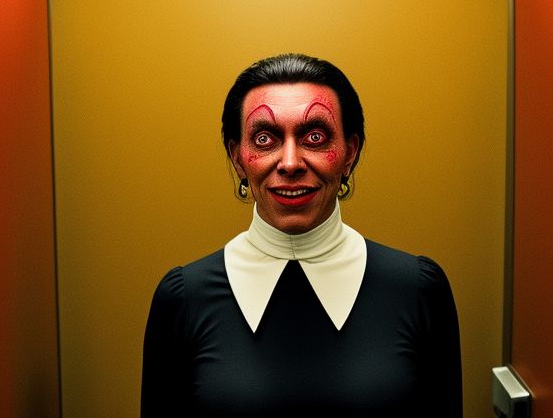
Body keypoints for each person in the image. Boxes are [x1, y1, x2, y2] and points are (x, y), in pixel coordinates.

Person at [141, 53, 462, 416]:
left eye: (315, 137)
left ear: (350, 152)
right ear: (237, 157)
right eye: (265, 139)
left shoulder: (417, 290)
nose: (290, 163)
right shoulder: (183, 299)